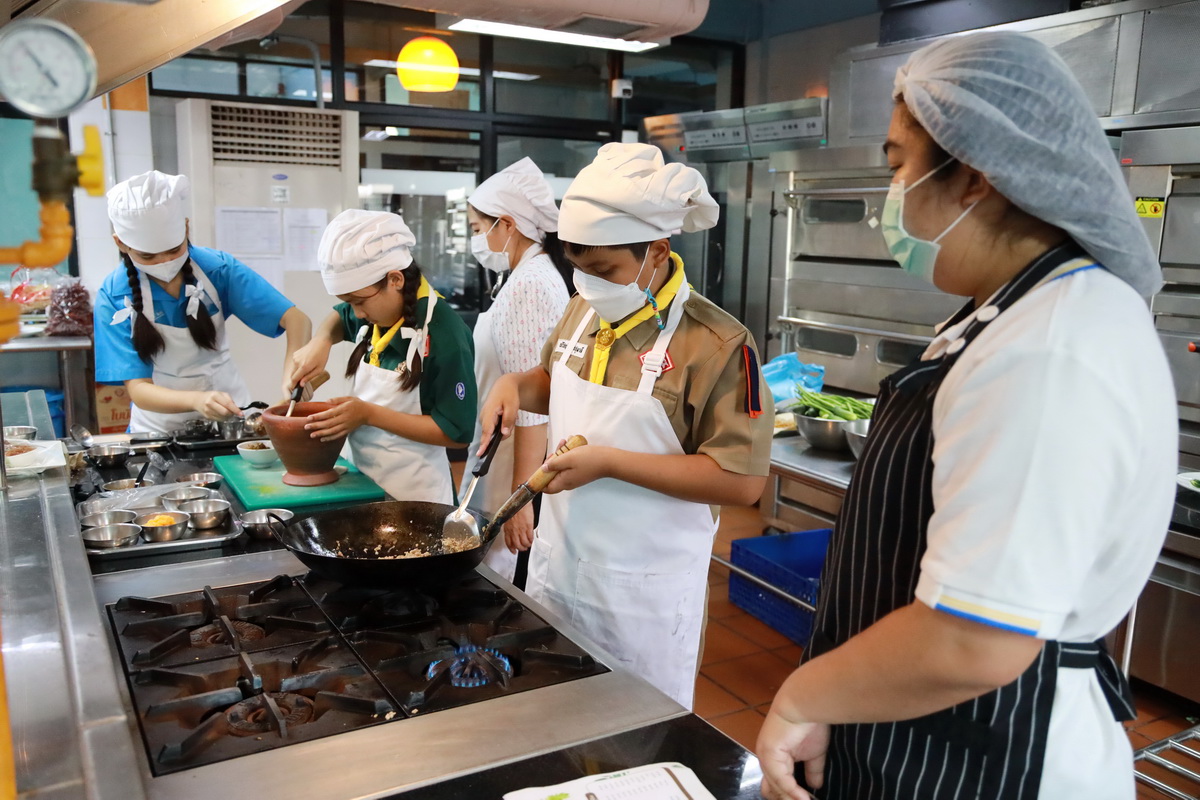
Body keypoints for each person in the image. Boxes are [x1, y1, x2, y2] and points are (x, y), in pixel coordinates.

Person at [755, 32, 1176, 800]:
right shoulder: (1011, 314)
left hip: (997, 749)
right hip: (934, 729)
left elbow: (973, 641)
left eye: (897, 165)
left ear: (976, 179)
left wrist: (803, 697)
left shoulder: (1049, 347)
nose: (893, 195)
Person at [479, 143, 774, 709]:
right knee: (552, 715)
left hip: (643, 596)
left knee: (633, 731)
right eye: (578, 266)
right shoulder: (583, 310)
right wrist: (513, 385)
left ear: (657, 251)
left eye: (604, 270)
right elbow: (553, 379)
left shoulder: (717, 344)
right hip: (559, 570)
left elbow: (741, 481)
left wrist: (610, 463)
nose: (588, 283)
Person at [94, 170, 311, 433]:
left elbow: (296, 320)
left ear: (186, 228)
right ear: (121, 243)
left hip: (230, 420)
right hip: (157, 430)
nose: (165, 262)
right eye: (148, 256)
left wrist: (292, 374)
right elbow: (138, 390)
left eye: (174, 249)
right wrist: (196, 400)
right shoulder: (114, 296)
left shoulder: (217, 270)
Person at [288, 209, 476, 503]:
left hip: (416, 496)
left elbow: (455, 433)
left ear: (395, 279)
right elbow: (339, 318)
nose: (357, 313)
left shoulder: (445, 335)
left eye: (359, 302)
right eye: (349, 302)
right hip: (364, 485)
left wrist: (368, 415)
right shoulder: (378, 313)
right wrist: (321, 341)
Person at [463, 157, 572, 584]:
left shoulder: (530, 284)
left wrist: (518, 499)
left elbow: (531, 410)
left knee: (497, 581)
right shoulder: (524, 275)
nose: (476, 239)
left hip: (513, 463)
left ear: (506, 225)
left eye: (478, 228)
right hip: (499, 455)